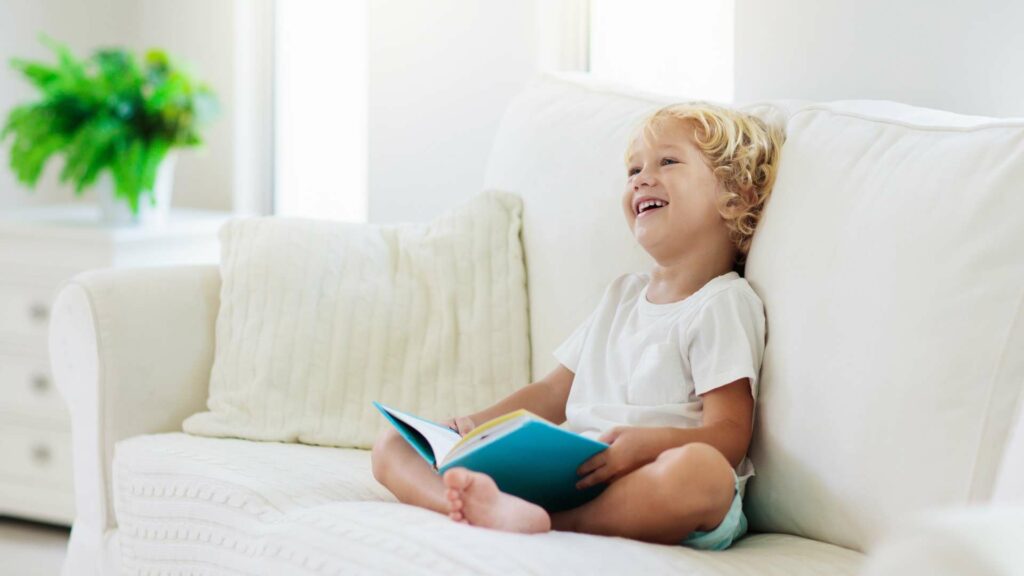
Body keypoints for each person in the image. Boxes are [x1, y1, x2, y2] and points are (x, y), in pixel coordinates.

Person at [371, 102, 784, 550]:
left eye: (667, 161)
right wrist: (473, 426)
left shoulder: (723, 302)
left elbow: (729, 436)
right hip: (578, 471)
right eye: (633, 170)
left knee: (701, 473)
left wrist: (645, 446)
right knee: (394, 443)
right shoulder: (621, 297)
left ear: (735, 196)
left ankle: (554, 522)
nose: (641, 178)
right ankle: (470, 507)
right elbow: (552, 394)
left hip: (651, 476)